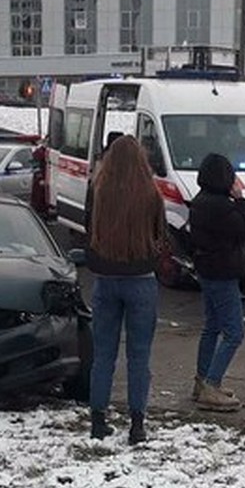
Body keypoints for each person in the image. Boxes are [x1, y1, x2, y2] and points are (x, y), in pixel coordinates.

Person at [85, 135, 166, 445]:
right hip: (141, 279)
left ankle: (98, 419)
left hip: (106, 278)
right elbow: (161, 236)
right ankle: (137, 424)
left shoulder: (99, 191)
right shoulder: (150, 194)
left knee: (103, 354)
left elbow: (88, 231)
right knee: (139, 355)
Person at [189, 152, 245, 411]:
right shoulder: (223, 206)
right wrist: (241, 201)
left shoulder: (200, 202)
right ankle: (211, 385)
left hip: (206, 270)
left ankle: (202, 379)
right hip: (223, 272)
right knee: (234, 332)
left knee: (212, 326)